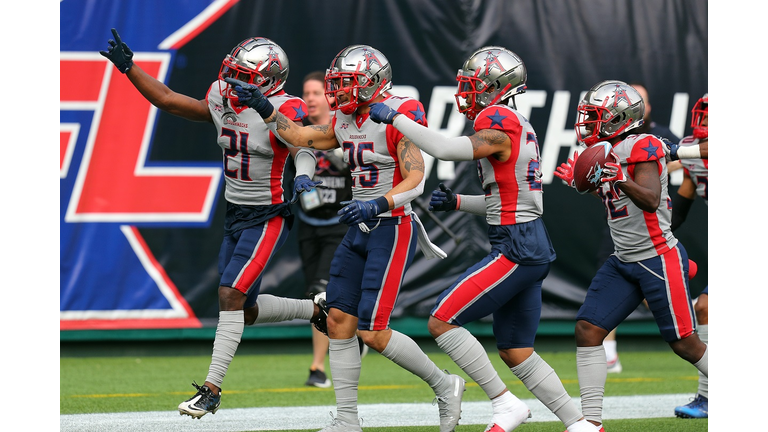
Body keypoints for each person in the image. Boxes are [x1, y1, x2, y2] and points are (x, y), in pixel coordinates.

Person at [226, 44, 463, 432]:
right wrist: (266, 109)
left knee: (372, 330)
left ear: (372, 83)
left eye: (345, 83)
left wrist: (377, 205)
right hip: (359, 228)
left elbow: (416, 179)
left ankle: (444, 384)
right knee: (337, 319)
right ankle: (347, 421)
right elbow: (302, 137)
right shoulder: (345, 118)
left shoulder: (399, 112)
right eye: (336, 84)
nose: (337, 92)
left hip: (391, 226)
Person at [100, 30, 329, 419]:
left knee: (229, 295)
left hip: (268, 214)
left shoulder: (284, 106)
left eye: (245, 74)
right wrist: (130, 69)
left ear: (269, 80)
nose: (233, 79)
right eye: (234, 70)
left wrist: (304, 174)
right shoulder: (222, 94)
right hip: (235, 213)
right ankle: (315, 311)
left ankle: (211, 390)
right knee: (245, 308)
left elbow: (301, 147)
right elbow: (172, 101)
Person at [370, 46, 599, 432]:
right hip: (525, 240)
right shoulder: (515, 122)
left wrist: (396, 118)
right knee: (516, 350)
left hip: (517, 246)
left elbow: (445, 149)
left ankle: (504, 403)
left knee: (442, 320)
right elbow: (510, 199)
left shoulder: (498, 117)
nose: (467, 91)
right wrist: (459, 202)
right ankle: (580, 424)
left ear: (497, 87)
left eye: (474, 84)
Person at [554, 80, 708, 431]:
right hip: (624, 259)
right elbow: (619, 201)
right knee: (588, 329)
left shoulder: (643, 145)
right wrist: (596, 185)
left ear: (619, 117)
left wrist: (617, 177)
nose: (589, 122)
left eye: (596, 115)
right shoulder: (609, 149)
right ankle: (590, 423)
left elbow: (650, 199)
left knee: (685, 344)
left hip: (657, 257)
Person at [599, 82, 682, 374]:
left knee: (684, 341)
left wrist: (636, 171)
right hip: (623, 230)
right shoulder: (608, 144)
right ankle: (608, 355)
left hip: (652, 236)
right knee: (590, 323)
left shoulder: (650, 141)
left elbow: (677, 158)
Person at [295, 71, 362, 388]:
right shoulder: (299, 131)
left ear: (328, 96)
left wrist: (339, 154)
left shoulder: (344, 126)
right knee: (314, 293)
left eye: (315, 92)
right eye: (305, 92)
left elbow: (367, 163)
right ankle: (351, 339)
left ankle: (318, 367)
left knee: (323, 292)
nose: (309, 98)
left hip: (341, 224)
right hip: (310, 222)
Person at [671, 93, 708, 419]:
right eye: (703, 115)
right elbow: (682, 202)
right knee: (707, 307)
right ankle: (708, 397)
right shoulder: (695, 155)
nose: (704, 124)